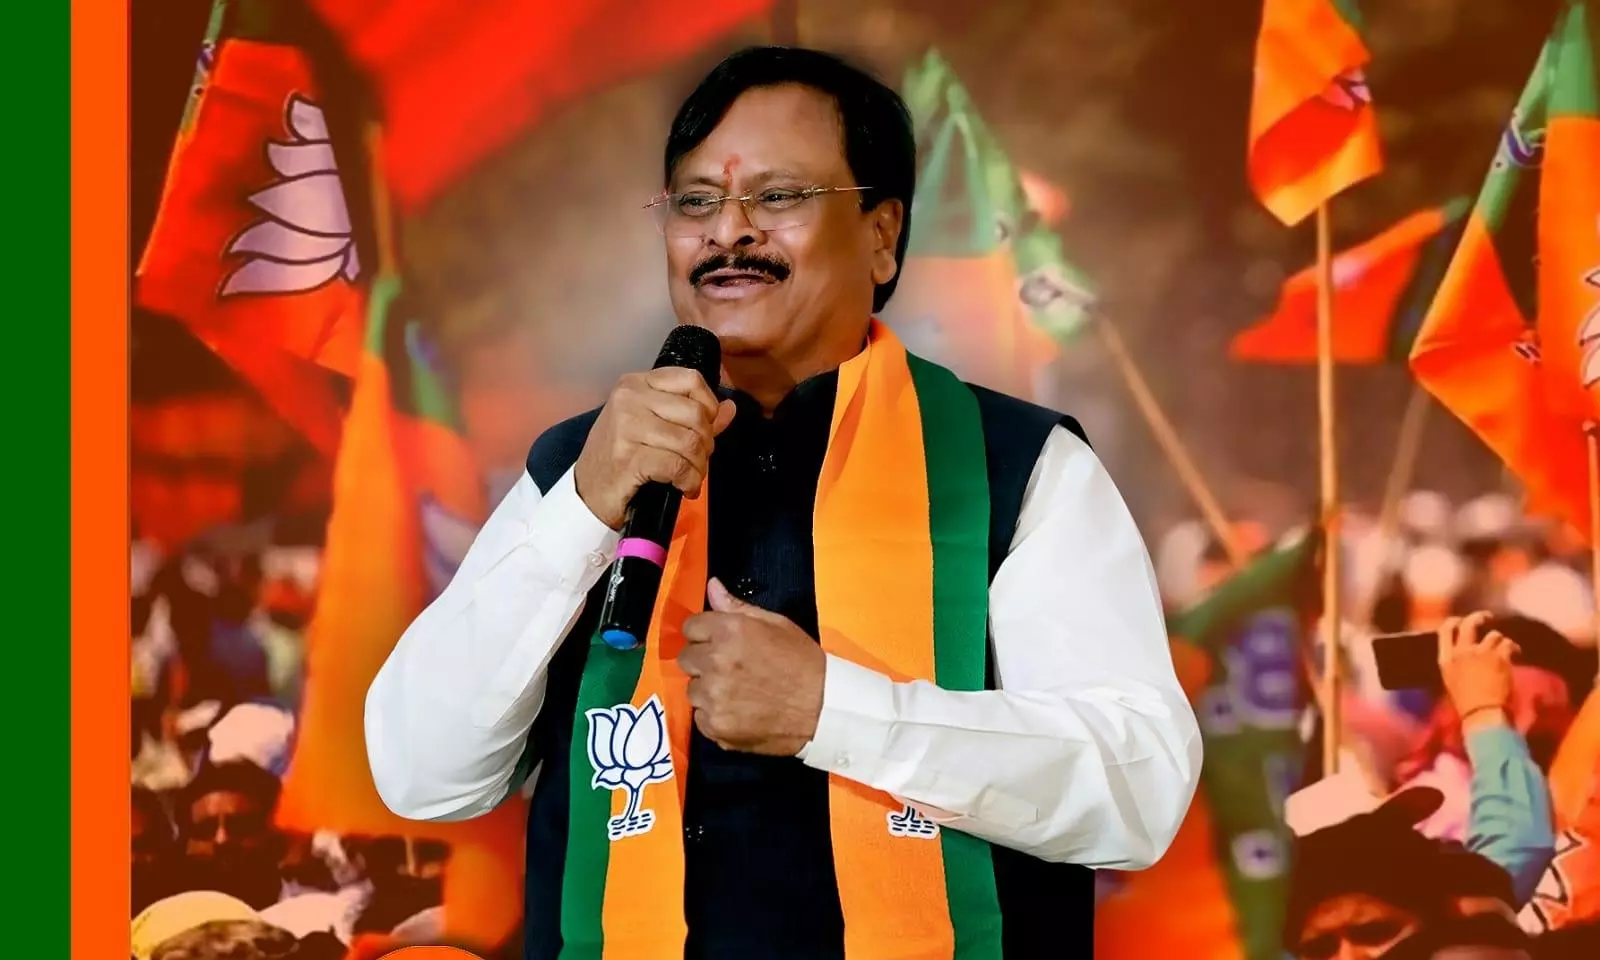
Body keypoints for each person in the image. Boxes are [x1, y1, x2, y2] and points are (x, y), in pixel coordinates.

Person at [366, 46, 1200, 959]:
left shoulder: (1014, 466)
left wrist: (830, 712)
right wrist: (582, 512)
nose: (728, 232)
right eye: (696, 202)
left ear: (882, 235)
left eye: (779, 196)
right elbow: (422, 773)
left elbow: (1138, 789)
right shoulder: (585, 463)